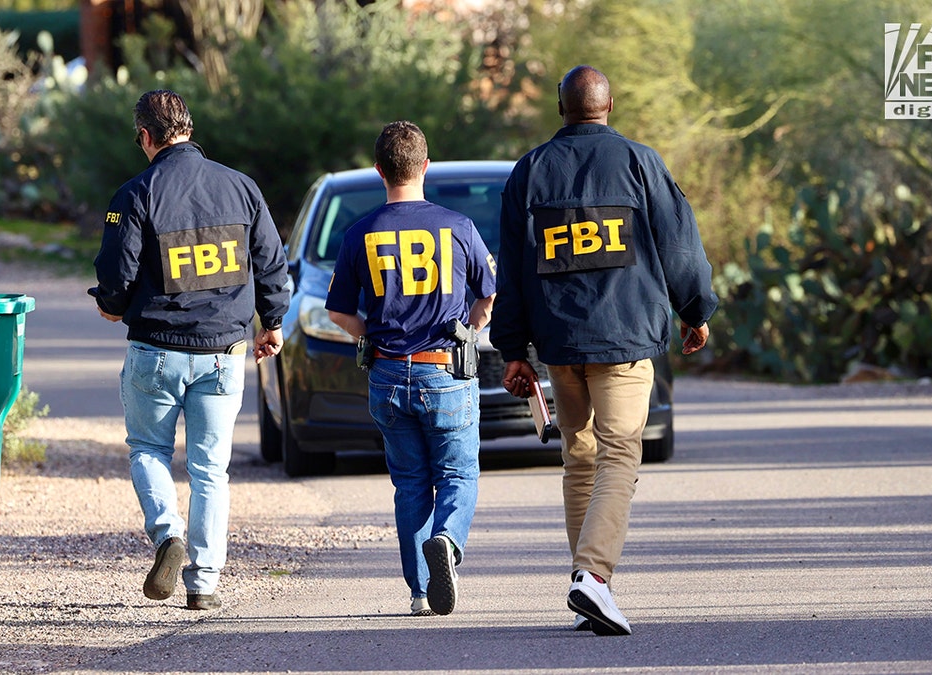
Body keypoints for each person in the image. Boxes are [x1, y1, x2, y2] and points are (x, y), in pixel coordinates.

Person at [492, 66, 718, 636]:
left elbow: (514, 269)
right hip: (622, 342)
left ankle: (590, 587)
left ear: (561, 108)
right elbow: (680, 245)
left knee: (580, 458)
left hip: (561, 347)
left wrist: (513, 348)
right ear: (609, 105)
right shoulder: (641, 163)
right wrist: (697, 311)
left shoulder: (531, 171)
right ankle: (592, 578)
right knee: (619, 454)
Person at [92, 89, 290, 611]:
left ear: (145, 137)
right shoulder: (242, 187)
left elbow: (116, 273)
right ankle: (203, 584)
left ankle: (167, 536)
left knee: (148, 451)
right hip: (224, 354)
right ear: (190, 128)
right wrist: (271, 322)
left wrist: (112, 304)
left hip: (155, 350)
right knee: (210, 471)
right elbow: (270, 262)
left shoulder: (137, 193)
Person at [325, 121, 496, 617]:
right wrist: (473, 327)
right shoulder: (459, 227)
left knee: (411, 482)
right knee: (459, 473)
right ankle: (446, 539)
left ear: (379, 170)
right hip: (445, 371)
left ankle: (420, 591)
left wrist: (368, 337)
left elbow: (338, 311)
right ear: (425, 166)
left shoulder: (360, 232)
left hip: (387, 376)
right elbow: (488, 293)